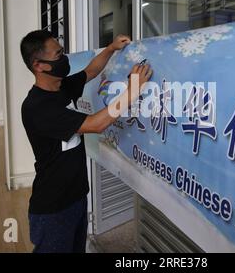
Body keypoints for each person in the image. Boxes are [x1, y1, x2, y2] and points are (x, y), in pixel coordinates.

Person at [20, 30, 152, 253]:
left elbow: (91, 71)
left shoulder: (60, 87)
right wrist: (131, 93)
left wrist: (110, 49)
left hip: (76, 197)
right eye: (58, 54)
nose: (64, 59)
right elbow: (96, 124)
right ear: (39, 65)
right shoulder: (36, 108)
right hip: (53, 208)